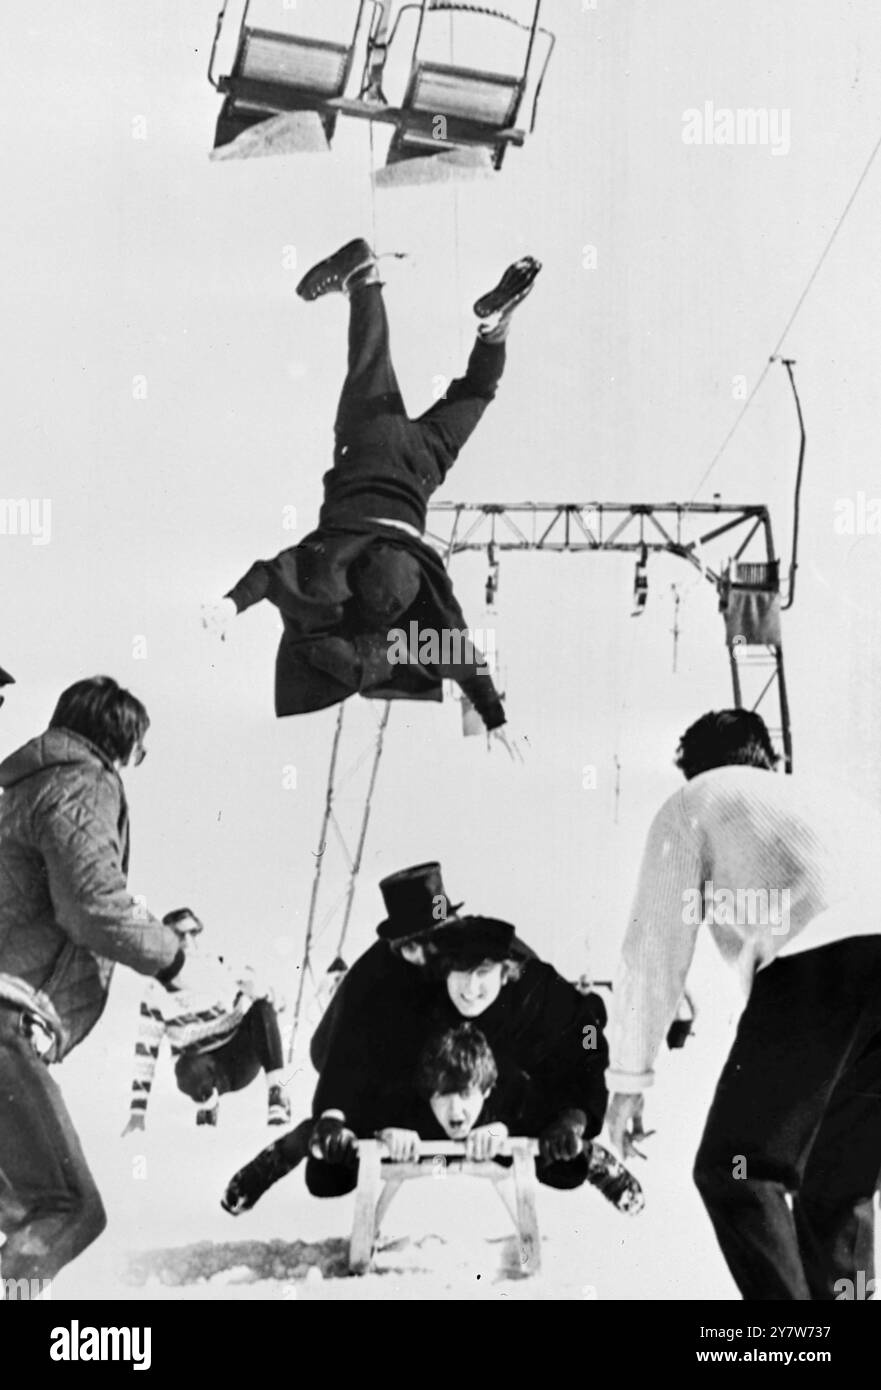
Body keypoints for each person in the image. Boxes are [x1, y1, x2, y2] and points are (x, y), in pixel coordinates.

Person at [203, 238, 540, 749]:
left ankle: (494, 332)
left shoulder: (417, 592)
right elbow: (267, 576)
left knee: (477, 392)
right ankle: (363, 279)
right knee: (370, 358)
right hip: (368, 448)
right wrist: (228, 606)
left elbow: (464, 656)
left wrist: (498, 717)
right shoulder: (327, 570)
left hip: (422, 468)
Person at [606, 708, 881, 1301]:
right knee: (838, 1191)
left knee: (735, 1168)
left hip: (821, 963)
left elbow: (654, 943)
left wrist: (629, 1078)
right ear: (769, 761)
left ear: (693, 769)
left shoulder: (696, 800)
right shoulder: (831, 799)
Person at [0, 676, 206, 1284]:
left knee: (19, 1207)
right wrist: (174, 960)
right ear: (121, 740)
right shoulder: (83, 783)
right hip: (5, 1024)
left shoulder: (17, 791)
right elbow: (92, 905)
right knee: (68, 1208)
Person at [222, 1022, 642, 1216]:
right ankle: (261, 1172)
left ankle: (606, 1170)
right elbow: (365, 1113)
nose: (456, 1111)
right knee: (322, 1139)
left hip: (503, 1145)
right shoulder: (410, 1102)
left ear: (485, 1091)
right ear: (429, 1094)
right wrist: (382, 1133)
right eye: (445, 1098)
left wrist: (509, 1132)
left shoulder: (502, 1095)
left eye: (465, 1097)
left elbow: (549, 1110)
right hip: (408, 1146)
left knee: (557, 1144)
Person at [121, 908, 290, 1132]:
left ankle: (277, 1095)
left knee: (261, 1007)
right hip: (205, 1070)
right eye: (179, 936)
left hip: (239, 1059)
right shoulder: (156, 992)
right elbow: (146, 1052)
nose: (188, 942)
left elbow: (272, 1003)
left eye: (193, 933)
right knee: (186, 1067)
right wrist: (137, 1113)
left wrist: (262, 992)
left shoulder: (221, 966)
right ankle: (209, 1105)